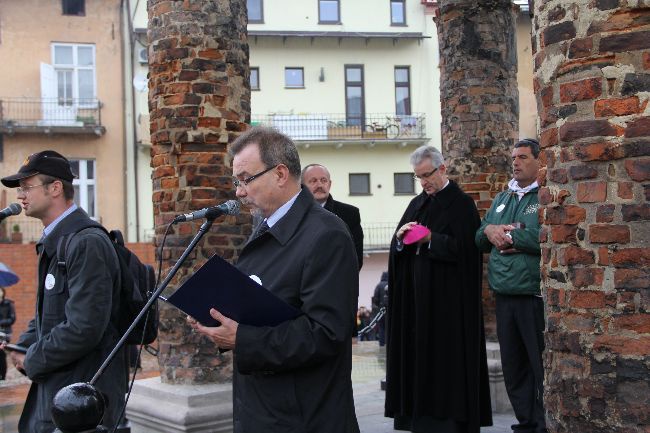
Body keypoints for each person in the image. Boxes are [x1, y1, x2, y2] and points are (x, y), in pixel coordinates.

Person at [189, 127, 360, 433]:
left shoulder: (327, 235)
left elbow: (326, 333)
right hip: (265, 407)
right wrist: (220, 317)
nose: (239, 192)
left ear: (280, 174)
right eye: (237, 181)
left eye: (246, 179)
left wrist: (243, 338)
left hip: (303, 415)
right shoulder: (266, 226)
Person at [0, 150, 125, 432]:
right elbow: (48, 312)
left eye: (27, 187)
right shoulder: (57, 241)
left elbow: (84, 326)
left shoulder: (86, 242)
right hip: (60, 391)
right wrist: (23, 344)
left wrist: (32, 358)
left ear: (55, 188)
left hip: (82, 401)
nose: (20, 196)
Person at [385, 145, 492, 433]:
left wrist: (431, 240)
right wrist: (401, 239)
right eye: (418, 177)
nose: (424, 183)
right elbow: (398, 249)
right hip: (417, 304)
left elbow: (468, 252)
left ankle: (447, 421)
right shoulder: (418, 203)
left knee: (446, 365)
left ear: (442, 169)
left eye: (427, 175)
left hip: (448, 306)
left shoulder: (461, 205)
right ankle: (418, 417)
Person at [475, 138, 546, 433]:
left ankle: (544, 422)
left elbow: (546, 235)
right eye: (514, 157)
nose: (515, 162)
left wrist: (515, 237)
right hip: (504, 296)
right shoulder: (502, 199)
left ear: (539, 162)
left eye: (523, 157)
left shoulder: (543, 197)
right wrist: (491, 229)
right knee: (513, 365)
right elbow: (479, 238)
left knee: (537, 362)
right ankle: (525, 421)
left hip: (532, 296)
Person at [301, 163, 364, 270]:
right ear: (301, 186)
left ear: (329, 184)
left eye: (323, 180)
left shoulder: (349, 214)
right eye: (313, 181)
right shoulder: (292, 213)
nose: (319, 185)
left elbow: (355, 258)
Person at [0, 286, 16, 380]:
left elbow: (12, 319)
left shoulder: (8, 304)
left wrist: (1, 322)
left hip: (4, 333)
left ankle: (3, 375)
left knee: (1, 353)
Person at [371, 271, 388, 346]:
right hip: (389, 310)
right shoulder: (390, 284)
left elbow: (375, 298)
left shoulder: (378, 285)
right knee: (388, 327)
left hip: (381, 310)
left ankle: (381, 343)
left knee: (381, 327)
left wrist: (378, 306)